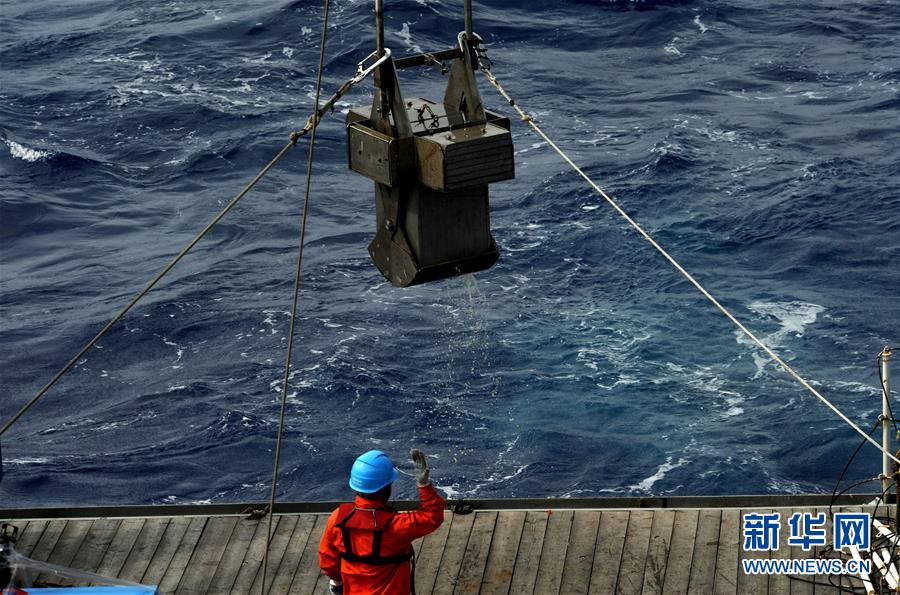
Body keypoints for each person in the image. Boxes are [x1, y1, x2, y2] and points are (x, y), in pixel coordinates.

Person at [319, 449, 445, 594]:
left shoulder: (338, 518)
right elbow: (433, 515)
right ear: (386, 488)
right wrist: (424, 485)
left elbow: (327, 559)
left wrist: (337, 580)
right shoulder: (397, 526)